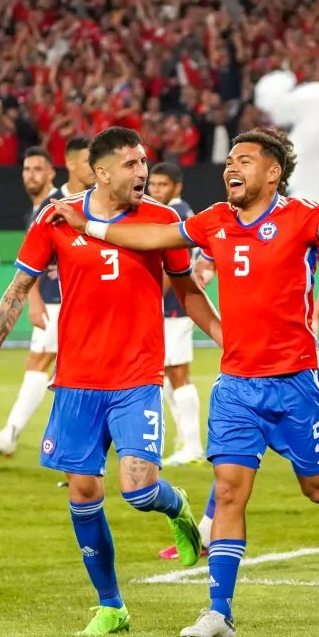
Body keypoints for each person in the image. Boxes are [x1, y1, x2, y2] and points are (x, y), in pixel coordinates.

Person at [51, 127, 319, 637]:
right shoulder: (215, 221)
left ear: (273, 172)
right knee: (228, 492)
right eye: (229, 160)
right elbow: (152, 238)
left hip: (295, 385)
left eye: (244, 160)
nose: (231, 168)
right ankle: (218, 612)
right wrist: (91, 228)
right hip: (237, 385)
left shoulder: (301, 216)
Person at [0, 127, 224, 637]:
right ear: (100, 171)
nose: (142, 172)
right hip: (77, 379)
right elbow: (21, 285)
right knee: (83, 492)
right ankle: (112, 606)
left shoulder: (162, 218)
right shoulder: (56, 218)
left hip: (135, 377)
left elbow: (186, 289)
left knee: (137, 488)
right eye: (130, 164)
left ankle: (176, 508)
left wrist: (225, 336)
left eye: (144, 162)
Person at [158, 211, 319, 561]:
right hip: (241, 369)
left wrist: (317, 314)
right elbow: (205, 263)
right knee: (231, 471)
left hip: (294, 359)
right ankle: (207, 547)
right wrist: (202, 274)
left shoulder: (301, 219)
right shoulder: (222, 220)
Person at [0, 140, 95, 456]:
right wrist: (34, 301)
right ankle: (14, 433)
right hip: (56, 300)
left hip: (79, 301)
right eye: (87, 162)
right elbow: (33, 262)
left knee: (61, 367)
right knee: (43, 363)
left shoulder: (91, 203)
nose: (93, 167)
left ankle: (15, 436)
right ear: (71, 164)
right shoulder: (52, 205)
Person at [146, 162, 204, 467]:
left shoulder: (177, 213)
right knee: (169, 373)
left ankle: (193, 445)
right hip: (170, 306)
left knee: (179, 373)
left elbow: (173, 265)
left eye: (162, 185)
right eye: (152, 185)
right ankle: (185, 438)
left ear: (176, 187)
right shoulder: (177, 212)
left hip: (173, 307)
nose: (155, 190)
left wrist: (151, 298)